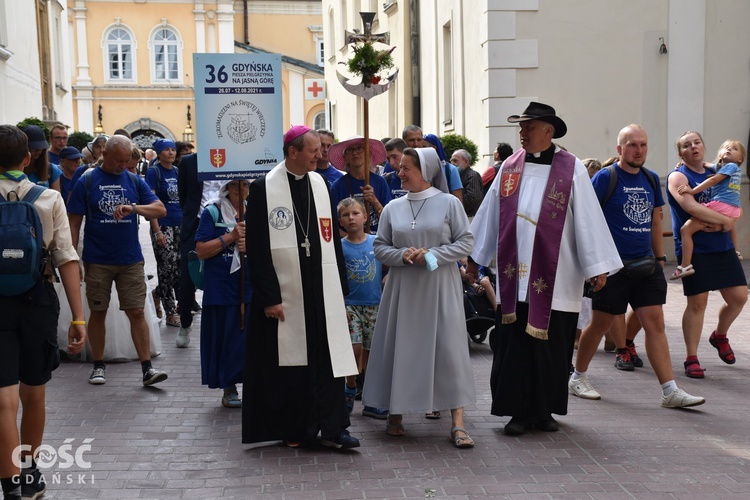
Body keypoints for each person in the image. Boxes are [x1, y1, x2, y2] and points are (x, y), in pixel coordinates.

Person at [467, 102, 621, 436]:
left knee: (549, 349)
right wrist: (474, 255)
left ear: (548, 131)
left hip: (558, 275)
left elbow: (589, 219)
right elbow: (491, 214)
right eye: (521, 128)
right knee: (515, 347)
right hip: (513, 278)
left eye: (528, 127)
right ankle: (517, 412)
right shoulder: (509, 167)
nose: (522, 133)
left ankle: (544, 410)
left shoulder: (572, 168)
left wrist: (597, 265)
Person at [568, 124, 706, 408]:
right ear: (619, 149)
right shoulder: (606, 177)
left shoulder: (652, 179)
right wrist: (595, 265)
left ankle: (670, 391)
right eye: (632, 145)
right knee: (601, 323)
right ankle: (578, 376)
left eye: (643, 144)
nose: (639, 150)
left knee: (655, 323)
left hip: (645, 265)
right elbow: (586, 219)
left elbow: (656, 220)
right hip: (612, 266)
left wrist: (658, 259)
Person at [243, 125, 360, 449]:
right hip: (285, 293)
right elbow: (258, 247)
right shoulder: (264, 188)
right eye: (313, 150)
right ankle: (297, 428)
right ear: (293, 152)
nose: (320, 155)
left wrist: (341, 287)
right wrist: (268, 297)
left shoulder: (321, 184)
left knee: (328, 358)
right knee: (293, 365)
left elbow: (331, 239)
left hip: (321, 290)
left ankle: (335, 427)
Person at [362, 147, 476, 447]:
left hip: (440, 286)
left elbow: (465, 242)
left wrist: (432, 255)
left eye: (406, 168)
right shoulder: (392, 208)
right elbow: (380, 247)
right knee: (402, 346)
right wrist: (402, 255)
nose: (400, 173)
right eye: (399, 168)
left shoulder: (449, 203)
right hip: (403, 288)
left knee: (447, 349)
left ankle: (458, 422)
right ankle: (395, 414)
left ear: (425, 172)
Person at [0, 125, 86, 500]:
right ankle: (31, 469)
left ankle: (9, 484)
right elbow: (66, 257)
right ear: (28, 157)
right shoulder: (48, 198)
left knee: (3, 399)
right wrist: (78, 318)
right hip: (38, 300)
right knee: (34, 393)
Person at [67, 135, 169, 386]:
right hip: (97, 258)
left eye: (127, 161)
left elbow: (160, 209)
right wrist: (72, 259)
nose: (124, 166)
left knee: (136, 311)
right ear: (106, 155)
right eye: (119, 161)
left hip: (130, 258)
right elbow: (74, 222)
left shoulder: (133, 179)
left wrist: (134, 208)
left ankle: (147, 368)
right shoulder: (88, 180)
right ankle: (98, 365)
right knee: (98, 311)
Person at [666, 131, 747, 378]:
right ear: (681, 154)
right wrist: (727, 222)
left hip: (721, 246)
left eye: (697, 142)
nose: (693, 147)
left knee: (739, 298)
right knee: (698, 303)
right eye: (687, 145)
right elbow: (690, 206)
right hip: (696, 249)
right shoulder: (678, 176)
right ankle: (692, 357)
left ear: (703, 146)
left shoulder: (718, 170)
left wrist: (725, 227)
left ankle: (719, 335)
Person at [196, 180, 251, 408]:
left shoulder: (257, 211)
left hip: (250, 284)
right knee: (226, 337)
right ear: (228, 188)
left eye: (245, 186)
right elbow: (201, 251)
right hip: (221, 286)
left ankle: (253, 384)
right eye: (236, 187)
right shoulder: (212, 211)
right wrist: (230, 237)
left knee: (248, 339)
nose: (241, 191)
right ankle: (229, 387)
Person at [337, 197, 388, 420]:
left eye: (356, 213)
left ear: (365, 217)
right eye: (346, 215)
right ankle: (350, 386)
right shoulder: (339, 248)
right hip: (349, 305)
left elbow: (391, 263)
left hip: (374, 305)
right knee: (353, 348)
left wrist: (390, 277)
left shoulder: (376, 243)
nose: (351, 218)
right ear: (340, 221)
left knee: (370, 353)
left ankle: (370, 398)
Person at [671, 139, 745, 279]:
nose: (729, 149)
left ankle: (685, 265)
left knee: (685, 230)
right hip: (734, 208)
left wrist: (692, 191)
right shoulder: (724, 168)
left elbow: (712, 180)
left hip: (720, 205)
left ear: (740, 158)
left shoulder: (730, 166)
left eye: (734, 149)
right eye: (726, 147)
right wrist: (684, 164)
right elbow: (706, 164)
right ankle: (735, 252)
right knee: (731, 226)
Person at [145, 138, 183, 328]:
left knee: (178, 269)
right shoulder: (154, 172)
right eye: (166, 150)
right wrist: (157, 230)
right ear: (159, 153)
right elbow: (151, 203)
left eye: (173, 150)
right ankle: (170, 312)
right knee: (166, 269)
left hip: (180, 224)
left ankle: (157, 293)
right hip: (163, 226)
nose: (171, 153)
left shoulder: (177, 171)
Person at [329, 136, 391, 234]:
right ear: (345, 157)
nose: (355, 153)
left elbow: (389, 219)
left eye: (360, 148)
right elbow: (332, 223)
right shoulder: (338, 186)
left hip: (377, 241)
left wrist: (374, 200)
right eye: (350, 150)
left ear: (369, 154)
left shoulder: (380, 182)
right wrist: (352, 240)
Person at [421, 133, 464, 201]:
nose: (420, 150)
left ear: (434, 148)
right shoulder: (417, 168)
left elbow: (458, 198)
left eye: (424, 147)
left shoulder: (450, 170)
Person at [20, 125, 62, 193]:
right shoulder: (14, 169)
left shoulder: (51, 170)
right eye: (34, 147)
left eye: (41, 147)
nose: (38, 150)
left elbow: (56, 199)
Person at [450, 148, 483, 217]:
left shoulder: (472, 175)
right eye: (451, 161)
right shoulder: (455, 176)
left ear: (466, 162)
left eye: (455, 161)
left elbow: (473, 198)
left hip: (469, 217)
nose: (452, 163)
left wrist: (453, 206)